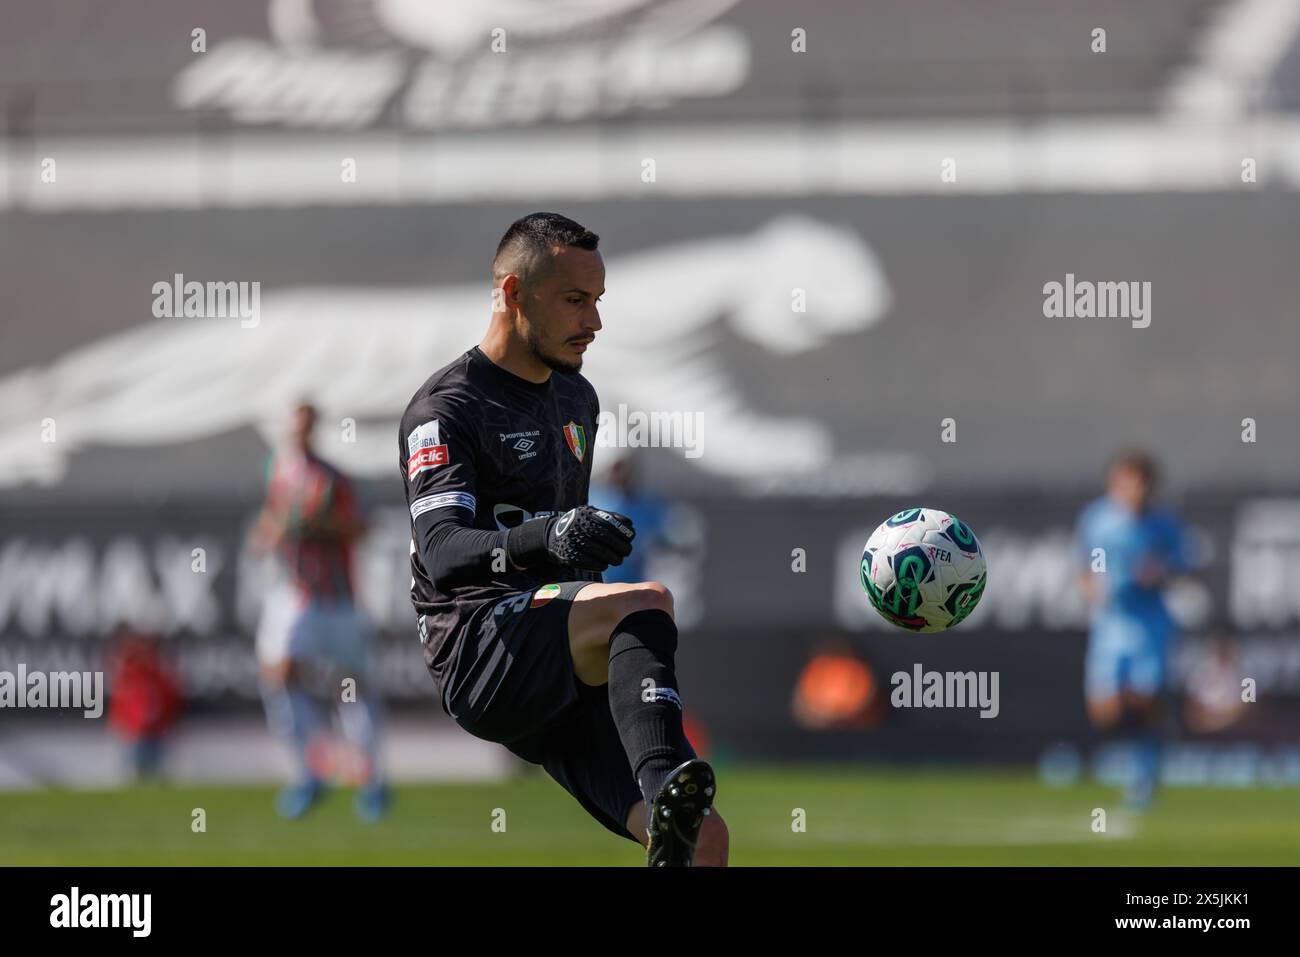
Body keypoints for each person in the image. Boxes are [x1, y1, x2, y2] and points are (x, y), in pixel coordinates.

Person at [398, 212, 727, 865]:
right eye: (576, 300)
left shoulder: (577, 398)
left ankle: (670, 814)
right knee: (647, 601)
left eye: (598, 301)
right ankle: (665, 785)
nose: (595, 322)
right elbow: (440, 549)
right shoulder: (447, 408)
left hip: (556, 654)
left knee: (706, 840)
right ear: (514, 293)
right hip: (479, 646)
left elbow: (571, 559)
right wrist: (545, 536)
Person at [253, 401, 388, 821]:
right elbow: (272, 523)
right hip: (297, 595)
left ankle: (372, 781)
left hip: (338, 599)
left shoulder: (332, 478)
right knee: (277, 674)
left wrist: (318, 523)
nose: (300, 433)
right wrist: (272, 532)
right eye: (295, 426)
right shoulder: (278, 469)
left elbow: (361, 527)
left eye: (307, 426)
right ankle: (310, 770)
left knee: (352, 687)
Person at [1075, 449, 1194, 809]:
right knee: (1105, 711)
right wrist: (1095, 589)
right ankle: (1139, 754)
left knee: (1146, 701)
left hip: (1150, 625)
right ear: (1115, 483)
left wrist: (1159, 574)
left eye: (1142, 482)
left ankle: (1145, 773)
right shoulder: (1097, 519)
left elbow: (1184, 565)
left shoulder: (1164, 524)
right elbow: (1083, 570)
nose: (1135, 489)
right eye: (1128, 481)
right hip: (1111, 625)